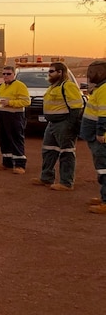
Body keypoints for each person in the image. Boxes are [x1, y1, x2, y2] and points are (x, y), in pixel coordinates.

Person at [32, 61, 84, 191]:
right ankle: (46, 178)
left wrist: (71, 125)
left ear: (60, 72)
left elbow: (76, 107)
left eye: (51, 71)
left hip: (64, 124)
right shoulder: (53, 87)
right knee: (48, 150)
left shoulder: (68, 86)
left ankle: (66, 182)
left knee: (66, 152)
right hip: (52, 123)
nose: (48, 74)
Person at [79, 59, 106, 214]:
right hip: (94, 136)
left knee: (104, 169)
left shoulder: (104, 90)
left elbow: (104, 114)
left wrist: (100, 132)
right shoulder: (99, 88)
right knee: (101, 168)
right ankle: (103, 197)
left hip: (100, 138)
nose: (90, 75)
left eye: (93, 72)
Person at [0, 66, 30, 174]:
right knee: (3, 139)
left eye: (8, 74)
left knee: (16, 139)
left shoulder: (20, 86)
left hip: (14, 116)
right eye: (4, 74)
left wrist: (10, 103)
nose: (5, 76)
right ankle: (7, 162)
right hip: (2, 116)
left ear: (14, 75)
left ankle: (20, 164)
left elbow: (26, 102)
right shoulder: (2, 86)